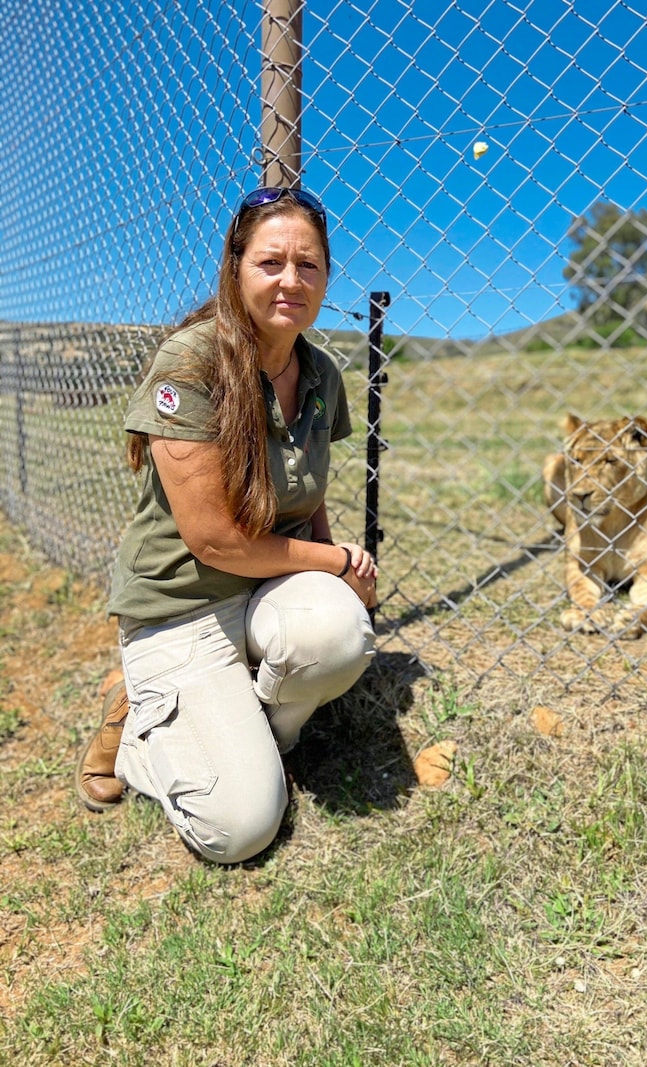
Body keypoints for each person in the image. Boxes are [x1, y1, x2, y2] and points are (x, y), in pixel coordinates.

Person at [75, 186, 378, 864]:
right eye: (271, 262)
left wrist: (330, 567)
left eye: (310, 265)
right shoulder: (192, 363)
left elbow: (308, 496)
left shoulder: (322, 374)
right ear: (236, 267)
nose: (291, 280)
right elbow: (215, 540)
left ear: (328, 276)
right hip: (181, 606)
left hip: (263, 588)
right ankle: (139, 737)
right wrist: (337, 565)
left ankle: (259, 731)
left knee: (337, 630)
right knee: (240, 828)